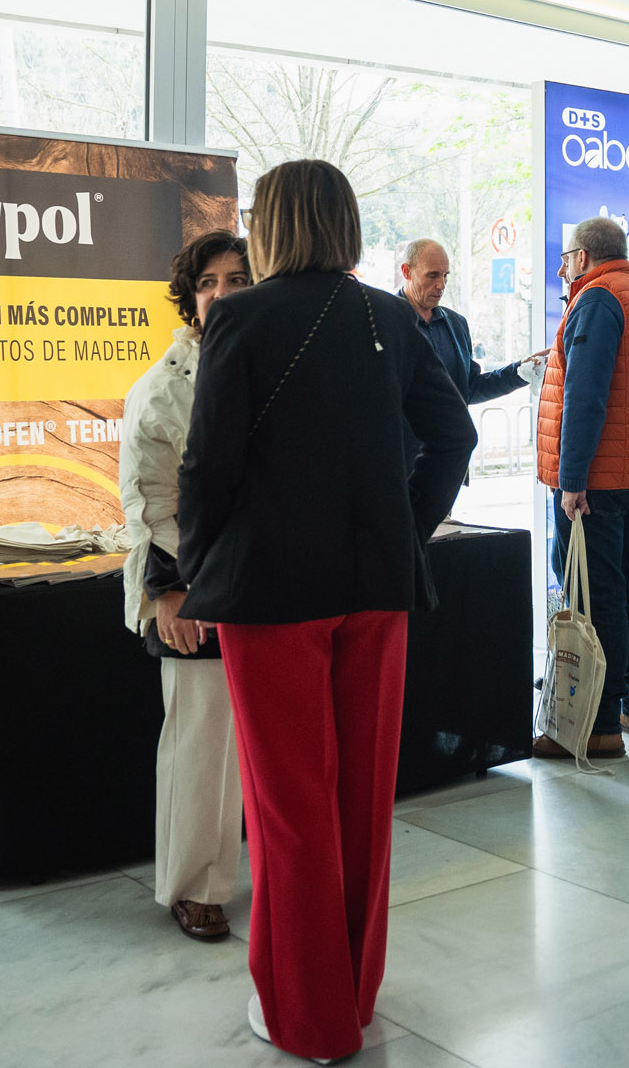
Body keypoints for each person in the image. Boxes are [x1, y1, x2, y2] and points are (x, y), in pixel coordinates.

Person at [177, 159, 475, 1062]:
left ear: (272, 225)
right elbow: (454, 434)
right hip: (376, 589)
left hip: (269, 596)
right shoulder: (390, 317)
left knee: (290, 809)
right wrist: (404, 528)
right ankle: (351, 993)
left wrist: (197, 565)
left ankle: (309, 1017)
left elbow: (209, 465)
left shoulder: (240, 318)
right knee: (360, 802)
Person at [119, 230, 250, 943]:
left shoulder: (269, 366)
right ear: (189, 297)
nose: (222, 295)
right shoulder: (162, 387)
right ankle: (195, 888)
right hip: (192, 584)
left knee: (257, 746)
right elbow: (146, 501)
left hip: (265, 584)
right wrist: (170, 591)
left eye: (237, 281)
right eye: (208, 283)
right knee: (202, 742)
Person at [533, 215, 629, 753]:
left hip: (596, 479)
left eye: (565, 259)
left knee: (596, 595)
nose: (562, 270)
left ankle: (598, 726)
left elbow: (585, 397)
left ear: (581, 256)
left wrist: (572, 479)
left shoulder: (598, 300)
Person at [398, 237, 542, 404]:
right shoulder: (384, 322)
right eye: (432, 275)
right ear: (406, 272)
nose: (441, 285)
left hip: (454, 422)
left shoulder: (456, 323)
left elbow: (471, 388)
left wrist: (521, 371)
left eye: (445, 276)